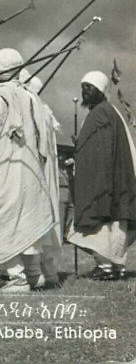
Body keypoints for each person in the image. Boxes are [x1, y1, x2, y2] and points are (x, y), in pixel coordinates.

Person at [0, 48, 54, 293]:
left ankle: (16, 278)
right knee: (25, 220)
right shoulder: (29, 95)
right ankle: (34, 274)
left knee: (2, 218)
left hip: (4, 168)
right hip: (30, 170)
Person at [67, 71, 136, 280]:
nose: (84, 92)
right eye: (83, 87)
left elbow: (104, 152)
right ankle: (113, 266)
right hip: (105, 183)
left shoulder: (102, 113)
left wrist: (98, 181)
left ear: (100, 91)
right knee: (108, 229)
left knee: (100, 229)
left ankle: (107, 266)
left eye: (89, 88)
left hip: (103, 185)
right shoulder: (102, 112)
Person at [22, 72, 63, 288]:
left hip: (35, 169)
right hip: (46, 172)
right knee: (47, 220)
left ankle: (35, 273)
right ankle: (50, 273)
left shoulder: (28, 104)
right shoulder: (44, 108)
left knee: (32, 219)